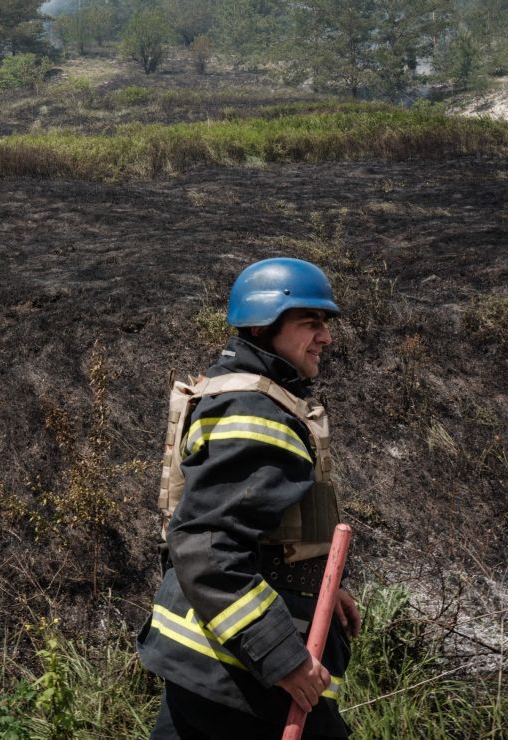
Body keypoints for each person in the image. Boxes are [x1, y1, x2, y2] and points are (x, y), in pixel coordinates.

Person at [137, 257, 361, 739]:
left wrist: (315, 579)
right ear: (263, 326)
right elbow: (209, 547)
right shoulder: (256, 413)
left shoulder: (236, 391)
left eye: (325, 324)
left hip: (203, 662)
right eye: (310, 323)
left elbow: (259, 530)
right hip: (243, 676)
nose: (325, 337)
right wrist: (282, 657)